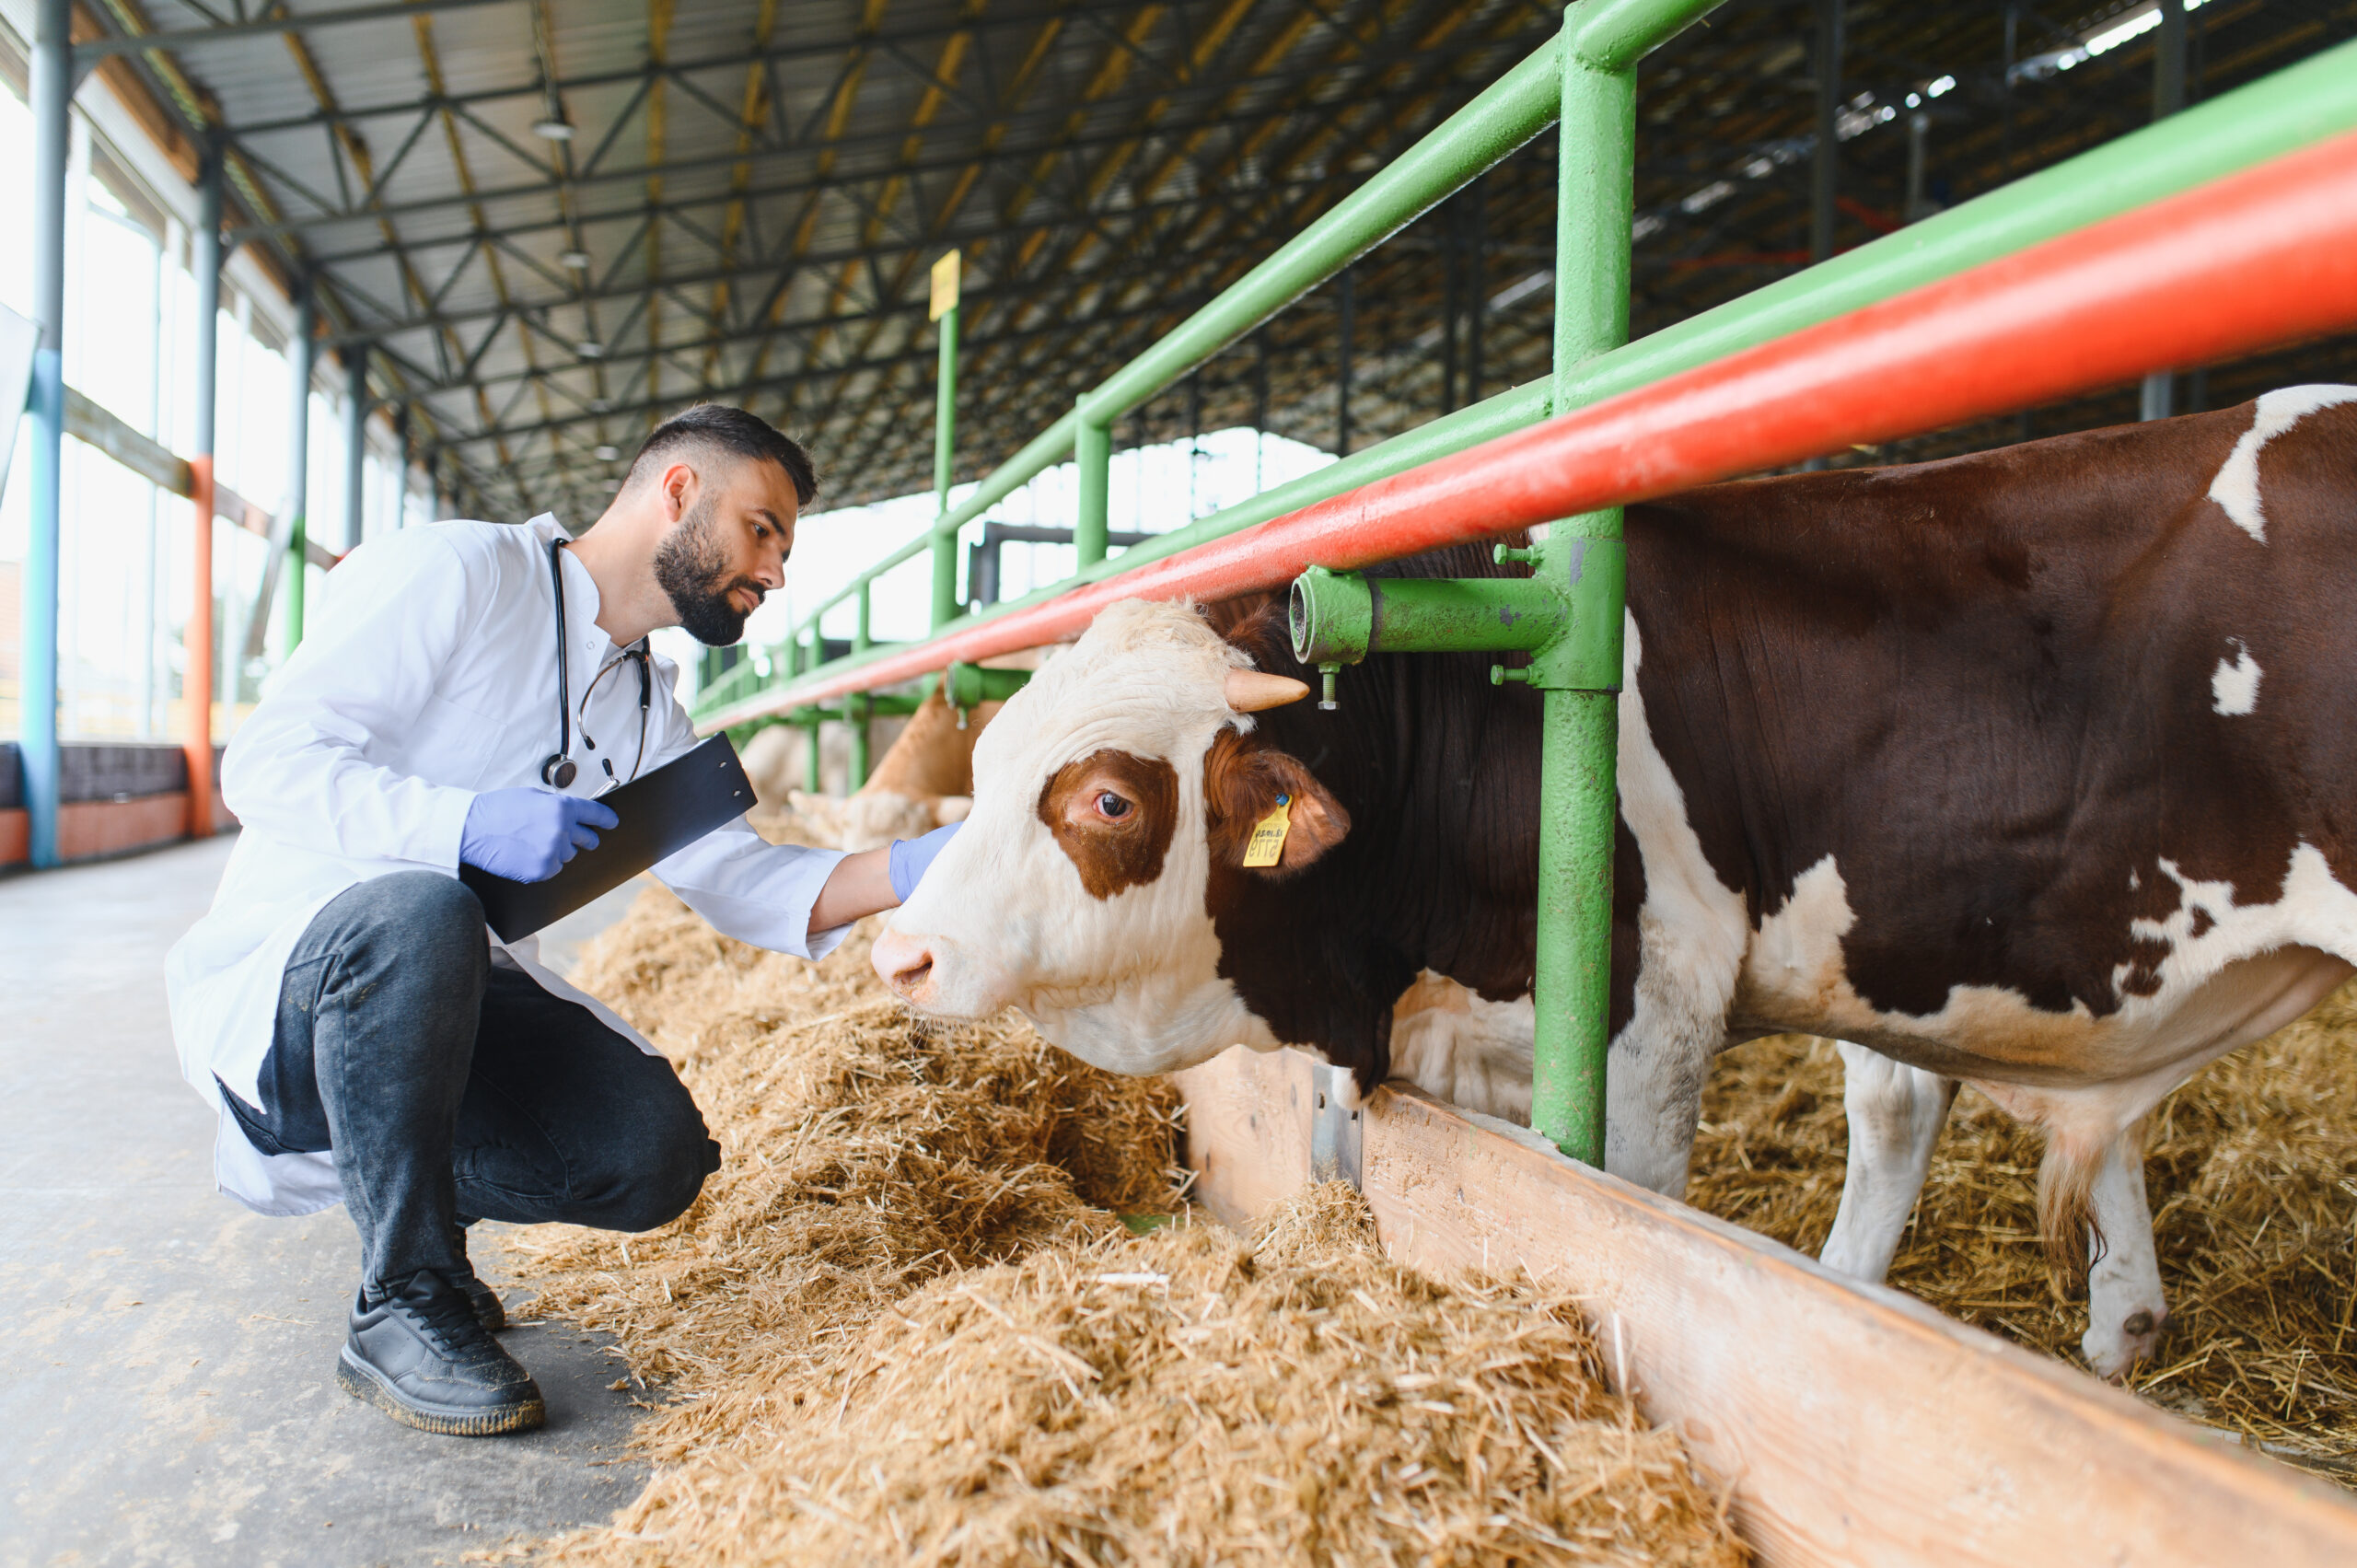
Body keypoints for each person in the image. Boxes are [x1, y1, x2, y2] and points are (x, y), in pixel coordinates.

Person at [165, 404, 957, 1437]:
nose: (775, 570)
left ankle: (431, 1219)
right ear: (678, 492)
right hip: (294, 998)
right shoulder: (458, 572)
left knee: (652, 1151)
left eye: (785, 546)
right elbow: (264, 765)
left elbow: (748, 884)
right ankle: (398, 1298)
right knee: (424, 908)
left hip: (446, 1009)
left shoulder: (644, 710)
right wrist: (463, 824)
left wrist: (919, 862)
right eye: (763, 528)